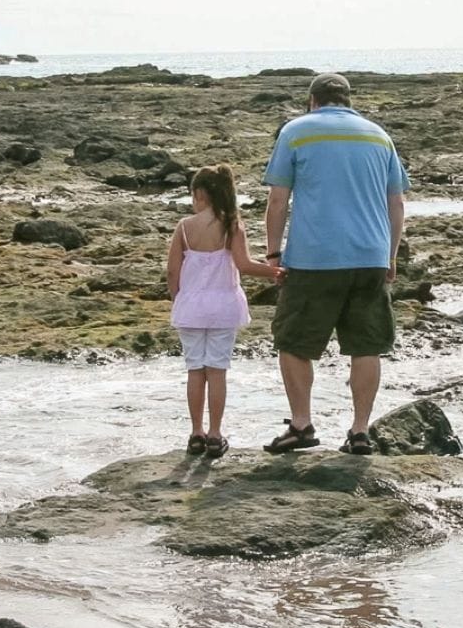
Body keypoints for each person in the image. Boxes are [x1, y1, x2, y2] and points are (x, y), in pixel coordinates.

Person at [262, 73, 410, 455]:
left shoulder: (296, 132)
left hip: (313, 258)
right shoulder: (379, 136)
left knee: (294, 343)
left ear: (312, 100)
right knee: (367, 347)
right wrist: (390, 256)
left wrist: (274, 253)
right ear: (348, 100)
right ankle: (360, 431)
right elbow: (397, 203)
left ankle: (301, 425)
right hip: (370, 257)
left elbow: (278, 200)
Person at [167, 164, 281, 459]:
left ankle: (196, 433)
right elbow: (243, 265)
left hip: (191, 307)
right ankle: (215, 434)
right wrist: (276, 271)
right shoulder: (232, 224)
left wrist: (179, 298)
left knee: (195, 370)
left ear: (200, 194)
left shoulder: (184, 227)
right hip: (223, 307)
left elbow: (172, 271)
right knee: (217, 371)